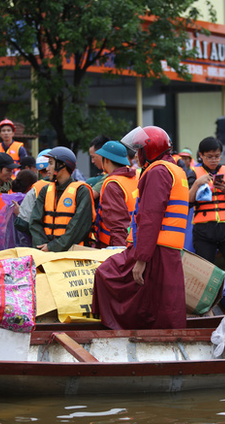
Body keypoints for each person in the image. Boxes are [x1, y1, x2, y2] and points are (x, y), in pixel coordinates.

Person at [92, 126, 189, 330]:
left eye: (139, 150)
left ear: (150, 150)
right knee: (162, 303)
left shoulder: (158, 171)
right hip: (166, 250)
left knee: (106, 274)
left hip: (154, 250)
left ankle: (121, 331)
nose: (136, 155)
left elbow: (150, 218)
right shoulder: (175, 170)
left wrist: (141, 258)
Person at [188, 137, 225, 276]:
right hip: (204, 229)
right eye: (209, 157)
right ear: (201, 155)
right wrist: (197, 184)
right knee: (204, 271)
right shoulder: (194, 174)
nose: (214, 160)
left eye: (217, 156)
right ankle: (211, 298)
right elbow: (187, 202)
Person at [30, 147, 95, 252]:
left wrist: (53, 247)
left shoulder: (82, 191)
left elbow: (78, 227)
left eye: (51, 163)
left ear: (62, 165)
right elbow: (35, 221)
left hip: (73, 253)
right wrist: (42, 246)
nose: (47, 168)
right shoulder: (45, 190)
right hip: (45, 252)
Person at [94, 141, 138, 248]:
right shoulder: (135, 176)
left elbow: (118, 223)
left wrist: (118, 252)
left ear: (107, 160)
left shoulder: (113, 185)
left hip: (117, 245)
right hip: (133, 241)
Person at [15, 149, 52, 235]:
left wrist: (19, 213)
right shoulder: (73, 186)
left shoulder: (36, 188)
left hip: (41, 241)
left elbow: (23, 224)